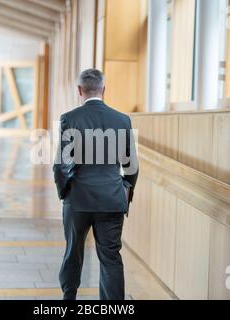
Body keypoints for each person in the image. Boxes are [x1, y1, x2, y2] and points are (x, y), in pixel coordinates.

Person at [53, 69, 139, 300]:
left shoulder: (69, 118)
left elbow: (61, 165)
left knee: (73, 253)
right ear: (104, 90)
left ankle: (69, 300)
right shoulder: (122, 120)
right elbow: (131, 167)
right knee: (111, 257)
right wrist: (123, 190)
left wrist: (65, 193)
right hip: (111, 199)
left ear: (79, 90)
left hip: (78, 199)